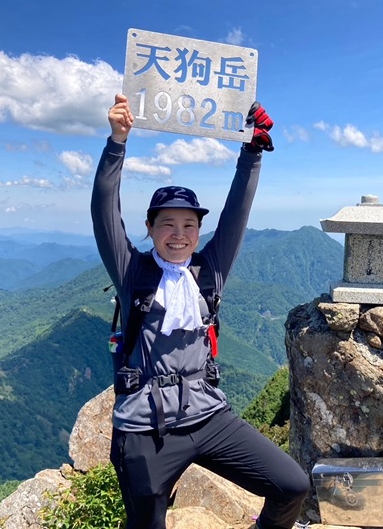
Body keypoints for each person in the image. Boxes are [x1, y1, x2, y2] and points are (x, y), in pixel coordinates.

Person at [91, 93, 311, 529]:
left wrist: (252, 152)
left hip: (208, 414)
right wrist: (117, 142)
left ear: (199, 229)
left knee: (292, 485)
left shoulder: (209, 270)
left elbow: (236, 215)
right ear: (149, 227)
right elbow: (103, 210)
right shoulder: (132, 271)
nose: (179, 234)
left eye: (189, 224)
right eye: (167, 224)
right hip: (146, 426)